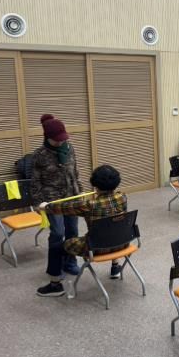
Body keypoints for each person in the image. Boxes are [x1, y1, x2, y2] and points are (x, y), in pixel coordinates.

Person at [36, 165, 127, 296]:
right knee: (112, 228)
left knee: (56, 247)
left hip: (96, 248)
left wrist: (46, 206)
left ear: (94, 184)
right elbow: (105, 205)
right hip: (121, 243)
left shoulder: (88, 205)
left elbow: (63, 208)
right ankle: (115, 268)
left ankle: (55, 285)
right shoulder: (122, 197)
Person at [31, 114, 82, 292]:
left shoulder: (69, 148)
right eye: (57, 139)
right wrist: (38, 203)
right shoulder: (39, 155)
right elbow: (35, 182)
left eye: (63, 138)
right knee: (57, 233)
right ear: (47, 136)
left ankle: (70, 262)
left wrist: (79, 193)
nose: (61, 141)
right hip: (52, 201)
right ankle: (55, 269)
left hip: (71, 198)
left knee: (73, 232)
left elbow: (75, 173)